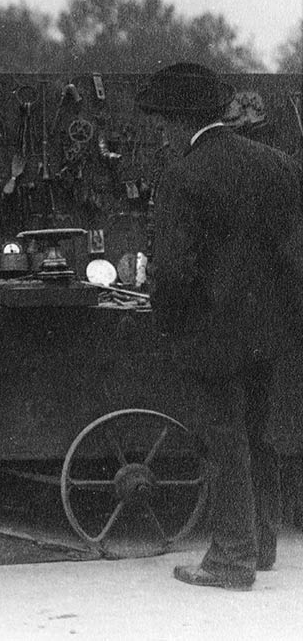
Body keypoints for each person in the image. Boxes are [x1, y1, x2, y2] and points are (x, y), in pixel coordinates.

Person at [138, 62, 303, 590]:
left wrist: (167, 323)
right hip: (271, 329)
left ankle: (231, 559)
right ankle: (261, 546)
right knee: (257, 432)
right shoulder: (280, 165)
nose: (162, 132)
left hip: (211, 333)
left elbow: (175, 270)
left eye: (164, 122)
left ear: (179, 121)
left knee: (223, 437)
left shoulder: (183, 175)